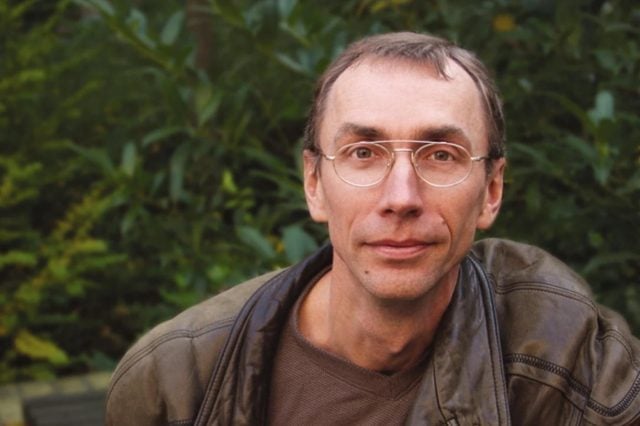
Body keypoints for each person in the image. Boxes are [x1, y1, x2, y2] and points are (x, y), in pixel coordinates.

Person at [105, 32, 640, 425]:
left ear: (492, 190)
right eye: (363, 153)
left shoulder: (559, 355)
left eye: (441, 154)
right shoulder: (176, 380)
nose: (401, 198)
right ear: (314, 183)